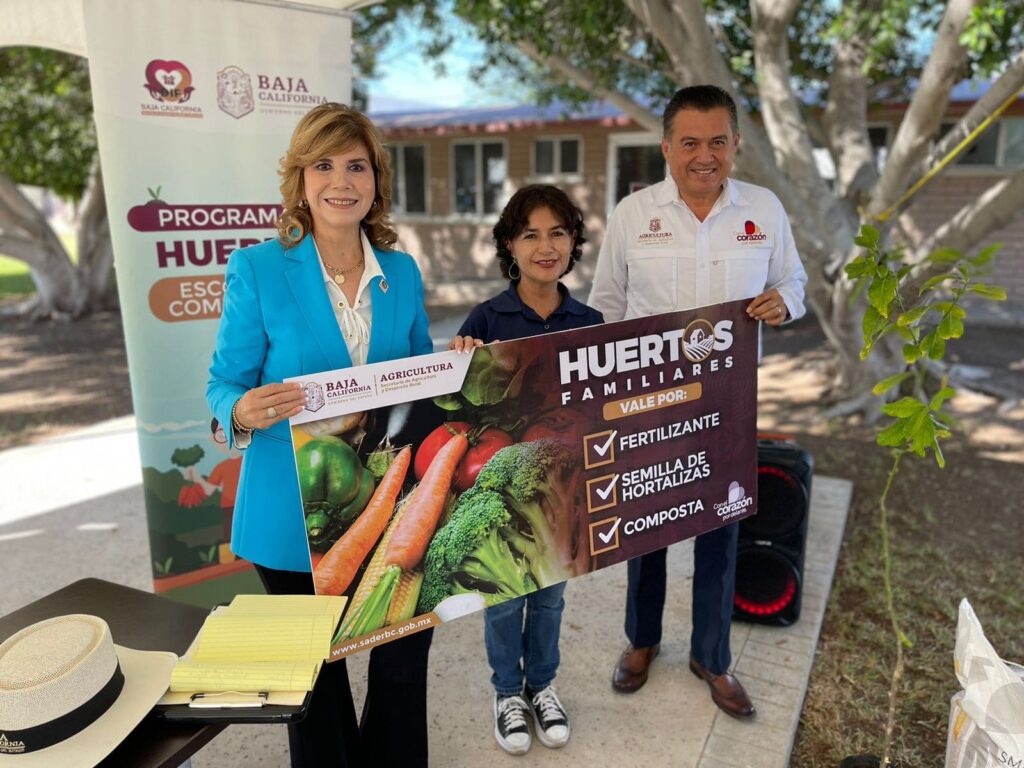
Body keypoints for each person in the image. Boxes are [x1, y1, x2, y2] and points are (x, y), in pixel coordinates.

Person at [206, 102, 434, 768]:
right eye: (324, 164)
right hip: (287, 515)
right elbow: (223, 384)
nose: (342, 180)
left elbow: (422, 376)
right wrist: (242, 411)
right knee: (316, 683)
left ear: (376, 179)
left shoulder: (403, 272)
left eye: (356, 165)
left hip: (389, 504)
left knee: (401, 660)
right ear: (300, 178)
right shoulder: (258, 269)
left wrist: (461, 359)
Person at [588, 85, 807, 719]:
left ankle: (712, 655)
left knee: (721, 528)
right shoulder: (634, 213)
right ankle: (642, 641)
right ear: (666, 147)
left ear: (736, 145)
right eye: (690, 142)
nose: (704, 155)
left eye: (717, 141)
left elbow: (792, 279)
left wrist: (784, 302)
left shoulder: (763, 209)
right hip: (649, 405)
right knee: (646, 529)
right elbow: (607, 305)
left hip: (728, 405)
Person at [449, 185, 603, 755]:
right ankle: (506, 693)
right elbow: (461, 401)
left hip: (562, 491)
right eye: (531, 234)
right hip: (503, 486)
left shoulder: (591, 320)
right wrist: (457, 360)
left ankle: (543, 685)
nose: (546, 246)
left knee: (550, 597)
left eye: (558, 233)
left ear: (573, 244)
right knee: (504, 598)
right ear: (509, 244)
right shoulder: (487, 318)